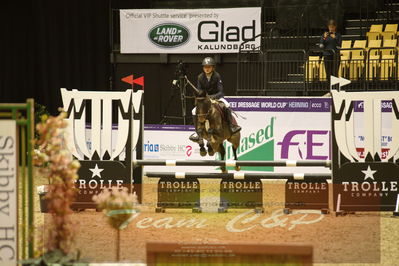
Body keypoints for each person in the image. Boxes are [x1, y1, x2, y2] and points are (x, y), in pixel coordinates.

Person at [189, 57, 241, 142]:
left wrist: (212, 97)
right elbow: (200, 92)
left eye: (209, 67)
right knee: (194, 111)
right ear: (203, 68)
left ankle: (231, 126)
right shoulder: (200, 77)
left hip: (217, 97)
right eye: (205, 67)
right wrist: (203, 98)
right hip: (205, 100)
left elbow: (221, 91)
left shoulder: (216, 76)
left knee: (226, 105)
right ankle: (197, 133)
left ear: (213, 68)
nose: (207, 69)